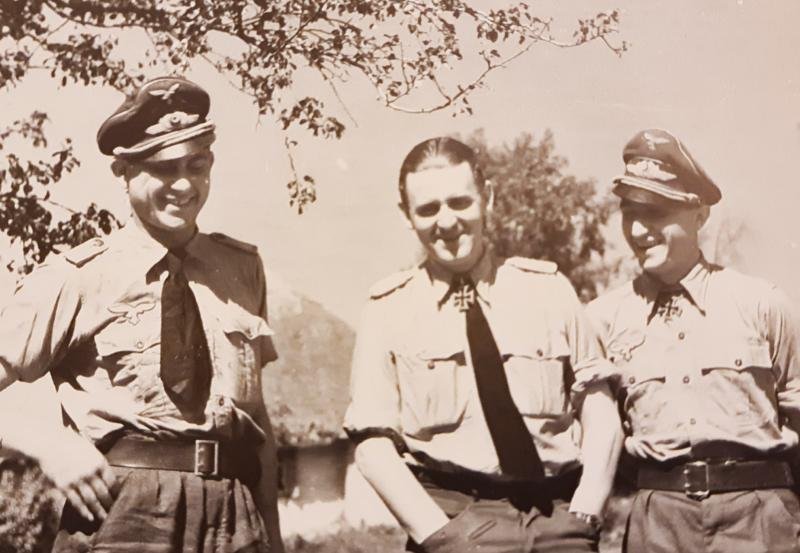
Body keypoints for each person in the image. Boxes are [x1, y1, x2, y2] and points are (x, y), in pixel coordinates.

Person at [0, 76, 284, 553]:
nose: (184, 185)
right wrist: (51, 446)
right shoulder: (79, 276)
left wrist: (272, 537)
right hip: (126, 514)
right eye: (163, 168)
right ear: (124, 172)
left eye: (198, 165)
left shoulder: (242, 268)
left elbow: (257, 420)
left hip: (236, 516)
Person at [344, 137, 623, 553]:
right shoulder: (387, 309)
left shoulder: (549, 290)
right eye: (427, 209)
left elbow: (599, 406)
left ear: (487, 198)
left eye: (460, 202)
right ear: (407, 215)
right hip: (456, 523)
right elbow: (372, 446)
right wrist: (439, 536)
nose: (447, 221)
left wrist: (586, 511)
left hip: (559, 522)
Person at [587, 128, 800, 553]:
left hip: (760, 516)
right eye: (630, 212)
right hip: (657, 520)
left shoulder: (762, 303)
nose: (640, 229)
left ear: (699, 214)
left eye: (657, 212)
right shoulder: (602, 319)